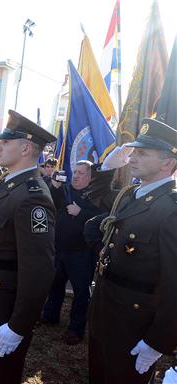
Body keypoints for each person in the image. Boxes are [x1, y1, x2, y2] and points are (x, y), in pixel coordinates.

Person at [84, 118, 177, 383]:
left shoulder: (171, 209)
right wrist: (106, 167)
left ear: (168, 163)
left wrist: (158, 342)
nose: (132, 157)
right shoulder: (131, 194)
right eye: (134, 151)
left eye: (142, 153)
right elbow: (97, 195)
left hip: (135, 324)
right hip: (105, 309)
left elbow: (174, 286)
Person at [0, 110, 57, 384]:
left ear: (26, 147)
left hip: (4, 306)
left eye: (6, 142)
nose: (0, 147)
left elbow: (39, 271)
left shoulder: (33, 198)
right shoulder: (9, 182)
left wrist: (19, 325)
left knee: (0, 375)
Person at [41, 160, 102, 345]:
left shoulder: (96, 195)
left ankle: (76, 329)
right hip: (59, 249)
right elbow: (49, 203)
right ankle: (50, 316)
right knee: (55, 286)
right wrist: (54, 186)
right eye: (74, 172)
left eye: (81, 173)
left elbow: (103, 219)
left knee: (81, 292)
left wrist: (81, 212)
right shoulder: (64, 189)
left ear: (90, 176)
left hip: (81, 253)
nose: (75, 175)